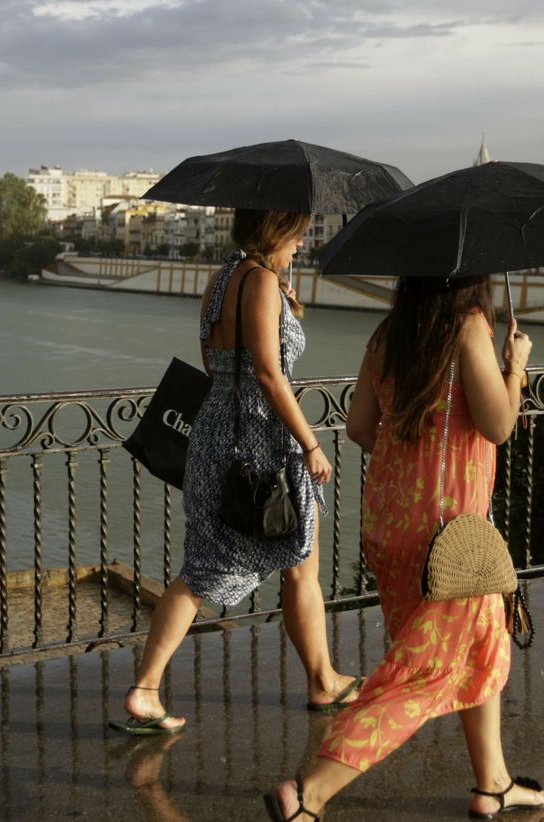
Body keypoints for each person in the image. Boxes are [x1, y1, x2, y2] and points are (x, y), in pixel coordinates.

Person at [261, 274, 544, 822]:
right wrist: (515, 365)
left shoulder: (388, 334)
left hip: (393, 524)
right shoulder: (469, 328)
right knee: (422, 676)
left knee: (478, 645)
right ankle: (308, 795)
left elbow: (362, 428)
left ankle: (493, 782)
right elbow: (498, 426)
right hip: (448, 533)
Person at [112, 209, 360, 735]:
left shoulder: (221, 278)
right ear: (276, 232)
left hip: (214, 431)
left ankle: (320, 678)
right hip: (260, 436)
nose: (299, 246)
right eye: (296, 236)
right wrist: (311, 442)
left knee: (259, 563)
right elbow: (270, 375)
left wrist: (284, 316)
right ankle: (147, 688)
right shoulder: (263, 280)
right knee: (239, 567)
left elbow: (214, 360)